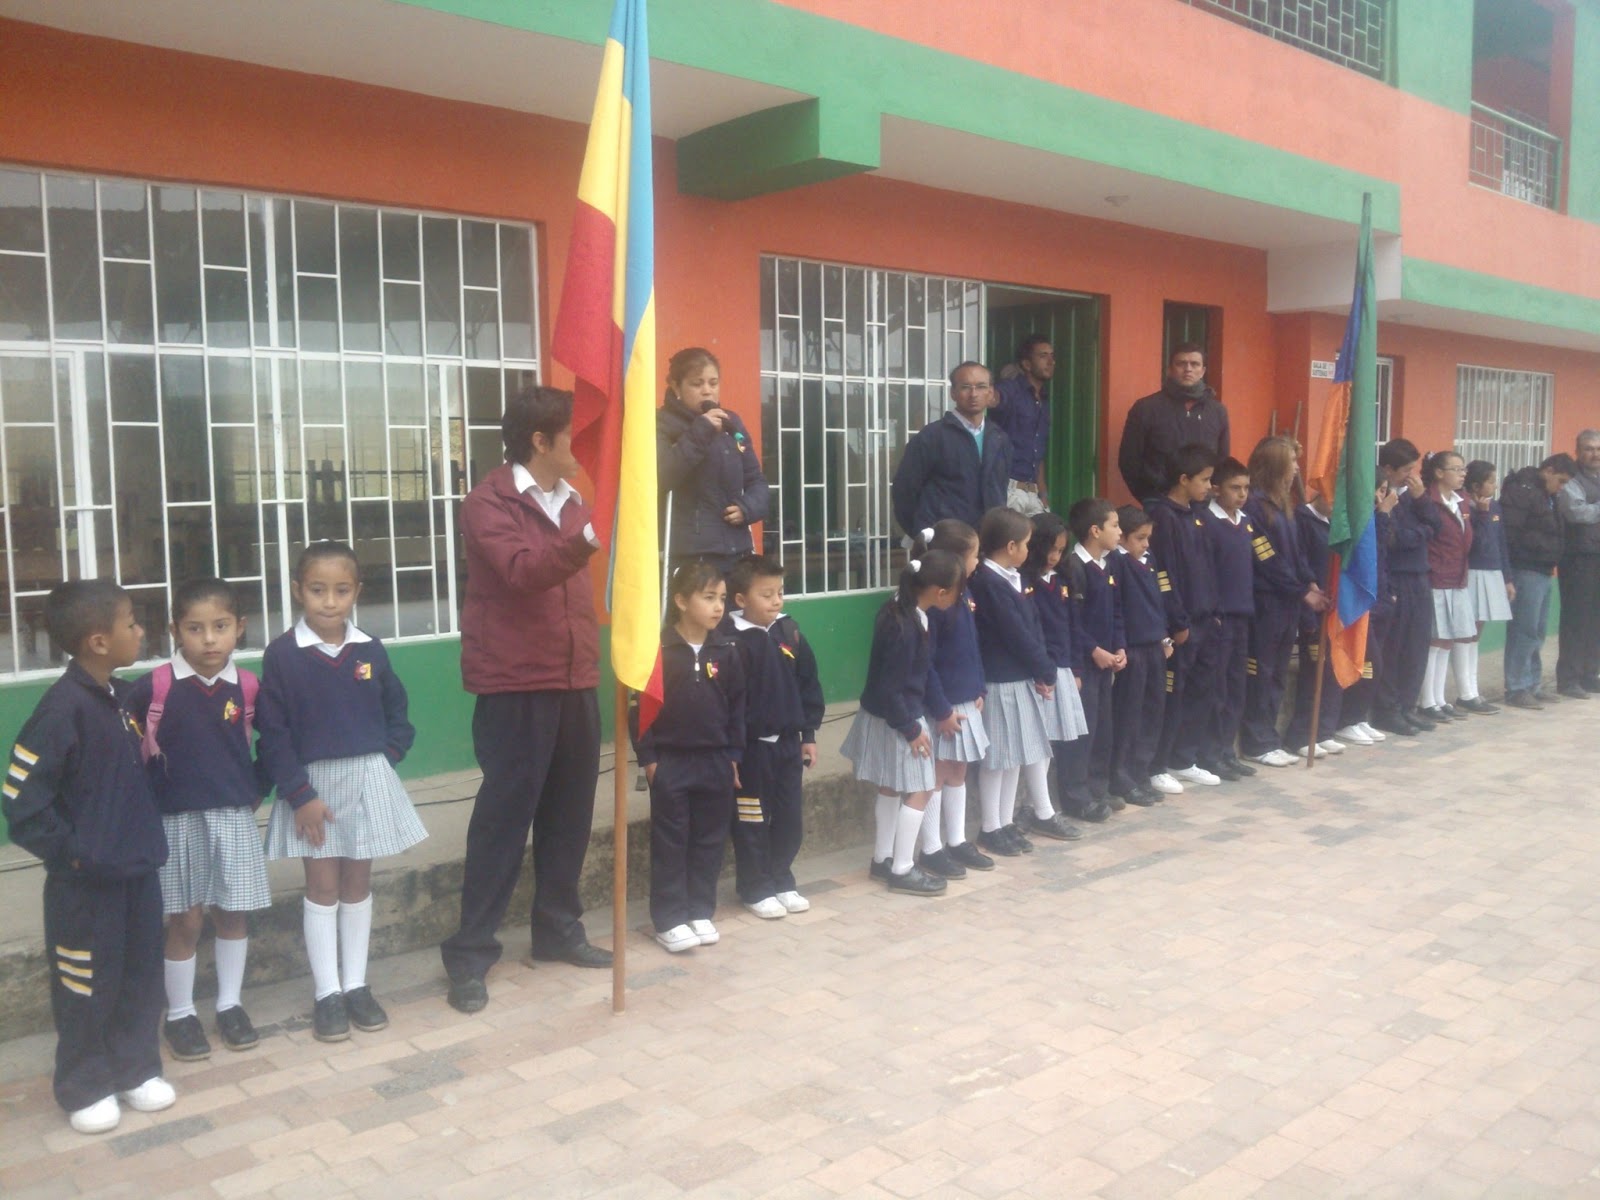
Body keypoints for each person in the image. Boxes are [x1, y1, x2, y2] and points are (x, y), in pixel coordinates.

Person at [441, 385, 611, 1018]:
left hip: (573, 679)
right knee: (503, 824)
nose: (582, 446)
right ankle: (469, 953)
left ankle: (558, 929)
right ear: (541, 441)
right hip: (514, 683)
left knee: (569, 815)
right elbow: (521, 571)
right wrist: (588, 539)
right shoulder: (489, 503)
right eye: (573, 434)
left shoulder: (575, 504)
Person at [2, 581, 173, 1134]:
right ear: (99, 640)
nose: (140, 631)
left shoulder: (118, 698)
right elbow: (21, 800)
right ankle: (85, 1085)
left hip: (138, 875)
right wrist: (75, 857)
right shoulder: (61, 710)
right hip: (86, 886)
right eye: (131, 623)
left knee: (140, 978)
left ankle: (135, 1070)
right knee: (86, 986)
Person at [258, 542, 427, 1043]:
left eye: (340, 591)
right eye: (317, 590)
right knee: (323, 887)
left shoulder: (370, 650)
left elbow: (397, 711)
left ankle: (356, 985)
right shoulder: (283, 655)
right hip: (312, 791)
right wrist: (298, 794)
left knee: (357, 884)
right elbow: (274, 733)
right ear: (297, 591)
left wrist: (387, 757)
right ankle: (326, 993)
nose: (329, 602)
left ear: (356, 592)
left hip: (367, 780)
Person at [124, 578, 270, 1063]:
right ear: (175, 632)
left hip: (232, 816)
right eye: (195, 628)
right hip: (176, 821)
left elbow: (273, 741)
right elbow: (126, 753)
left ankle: (230, 1005)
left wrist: (257, 789)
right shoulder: (155, 687)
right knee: (184, 919)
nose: (209, 639)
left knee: (232, 913)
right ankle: (182, 1014)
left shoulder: (246, 686)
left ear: (239, 629)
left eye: (221, 627)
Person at [634, 563, 745, 953]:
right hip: (671, 763)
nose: (719, 607)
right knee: (671, 841)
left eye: (722, 598)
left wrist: (733, 754)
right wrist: (649, 759)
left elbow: (737, 708)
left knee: (710, 839)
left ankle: (700, 911)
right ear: (681, 601)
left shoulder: (726, 651)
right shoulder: (659, 651)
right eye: (708, 597)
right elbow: (641, 710)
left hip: (715, 762)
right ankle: (669, 919)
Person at [842, 551, 964, 896]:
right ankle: (902, 867)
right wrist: (911, 729)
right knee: (922, 788)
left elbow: (914, 676)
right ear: (940, 592)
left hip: (887, 715)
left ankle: (882, 859)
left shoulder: (901, 610)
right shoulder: (905, 626)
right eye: (957, 591)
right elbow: (890, 686)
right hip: (899, 719)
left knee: (890, 787)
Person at [720, 555, 824, 919]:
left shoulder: (789, 632)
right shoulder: (729, 641)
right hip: (749, 753)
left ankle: (781, 878)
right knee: (751, 821)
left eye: (780, 592)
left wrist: (807, 733)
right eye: (766, 595)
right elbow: (726, 703)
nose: (776, 601)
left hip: (787, 746)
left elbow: (808, 684)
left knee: (789, 818)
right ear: (740, 600)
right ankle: (754, 886)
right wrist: (731, 752)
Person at [967, 507, 1074, 857]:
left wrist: (1041, 670)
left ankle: (1006, 821)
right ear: (1011, 546)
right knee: (997, 758)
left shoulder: (1016, 577)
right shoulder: (986, 581)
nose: (1030, 551)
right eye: (1027, 544)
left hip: (1022, 677)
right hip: (1000, 679)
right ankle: (989, 827)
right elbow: (1014, 633)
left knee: (1015, 755)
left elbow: (1034, 625)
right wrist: (1043, 668)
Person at [914, 520, 997, 880]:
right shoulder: (937, 604)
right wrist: (942, 710)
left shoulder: (965, 595)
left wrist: (979, 688)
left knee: (959, 770)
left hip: (966, 697)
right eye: (975, 555)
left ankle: (958, 840)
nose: (978, 561)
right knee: (936, 773)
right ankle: (931, 848)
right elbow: (926, 664)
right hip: (943, 705)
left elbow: (973, 647)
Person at [1239, 437, 1327, 767]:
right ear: (1275, 464)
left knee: (1276, 671)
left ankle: (1269, 735)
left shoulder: (1284, 503)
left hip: (1289, 600)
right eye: (1291, 461)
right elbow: (1267, 559)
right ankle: (1255, 740)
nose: (1297, 467)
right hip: (1267, 601)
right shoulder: (1255, 506)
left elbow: (1297, 553)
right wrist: (1300, 590)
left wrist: (1310, 582)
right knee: (1261, 671)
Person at [1146, 444, 1223, 788]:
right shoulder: (1162, 517)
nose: (1209, 487)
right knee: (1173, 694)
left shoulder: (1197, 515)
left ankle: (1184, 757)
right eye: (1204, 480)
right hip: (1182, 625)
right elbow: (1164, 574)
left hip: (1207, 620)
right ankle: (1158, 764)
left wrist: (1215, 611)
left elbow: (1208, 567)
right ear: (1183, 479)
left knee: (1201, 690)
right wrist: (1177, 622)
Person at [657, 347, 769, 577]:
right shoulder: (662, 423)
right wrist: (701, 430)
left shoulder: (731, 422)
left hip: (737, 549)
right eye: (697, 384)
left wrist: (748, 507)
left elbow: (756, 479)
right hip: (691, 555)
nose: (707, 391)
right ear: (676, 387)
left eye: (713, 383)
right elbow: (661, 476)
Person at [1021, 511, 1091, 830]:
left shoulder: (1062, 581)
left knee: (1051, 743)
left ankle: (1039, 806)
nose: (1054, 556)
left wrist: (1075, 667)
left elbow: (1073, 626)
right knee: (1037, 742)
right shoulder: (1025, 583)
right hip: (1039, 671)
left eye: (1061, 550)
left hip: (1062, 668)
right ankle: (1038, 809)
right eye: (1049, 548)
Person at [891, 361, 1012, 537]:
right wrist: (924, 533)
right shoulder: (931, 436)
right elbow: (904, 491)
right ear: (953, 393)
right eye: (965, 387)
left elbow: (1000, 489)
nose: (973, 394)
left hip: (986, 541)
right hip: (944, 542)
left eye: (981, 387)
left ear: (990, 393)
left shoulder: (1000, 438)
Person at [1060, 498, 1127, 814]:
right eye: (1114, 525)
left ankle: (1098, 788)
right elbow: (1072, 621)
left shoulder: (1109, 564)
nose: (1119, 531)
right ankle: (1076, 796)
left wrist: (1119, 647)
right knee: (1082, 731)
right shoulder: (1074, 568)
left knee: (1103, 728)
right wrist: (1093, 651)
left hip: (1105, 662)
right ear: (1094, 530)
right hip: (1084, 664)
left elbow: (1116, 611)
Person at [1198, 457, 1262, 777]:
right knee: (1216, 687)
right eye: (1235, 488)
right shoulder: (1206, 523)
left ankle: (1227, 749)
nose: (1242, 494)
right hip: (1219, 618)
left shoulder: (1247, 521)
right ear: (1215, 489)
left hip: (1243, 615)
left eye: (1246, 488)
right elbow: (1205, 573)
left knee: (1237, 685)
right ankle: (1210, 752)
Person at [1371, 439, 1436, 735]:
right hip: (1396, 577)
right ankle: (1388, 710)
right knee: (1394, 648)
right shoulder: (1382, 496)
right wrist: (1421, 532)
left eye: (1414, 469)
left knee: (1416, 646)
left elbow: (1437, 527)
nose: (1412, 476)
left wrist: (1423, 500)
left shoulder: (1413, 496)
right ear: (1388, 468)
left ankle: (1407, 705)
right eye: (1406, 470)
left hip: (1420, 577)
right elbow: (1394, 540)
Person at [1500, 453, 1576, 708]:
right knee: (1524, 629)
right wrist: (1508, 574)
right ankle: (1517, 687)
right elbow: (1510, 534)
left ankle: (1532, 683)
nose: (1561, 487)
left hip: (1543, 569)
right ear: (1549, 471)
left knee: (1538, 631)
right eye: (1561, 481)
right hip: (1525, 568)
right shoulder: (1523, 492)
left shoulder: (1547, 495)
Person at [1109, 506, 1172, 807]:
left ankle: (1141, 771)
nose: (1146, 544)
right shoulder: (1118, 564)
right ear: (1121, 538)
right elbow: (1118, 609)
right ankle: (1121, 777)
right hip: (1133, 648)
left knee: (1152, 711)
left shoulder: (1149, 560)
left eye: (1148, 537)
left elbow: (1157, 602)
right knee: (1129, 715)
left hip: (1154, 646)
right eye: (1139, 538)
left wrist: (1164, 635)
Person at [1283, 493, 1353, 757]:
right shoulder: (1303, 520)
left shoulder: (1335, 523)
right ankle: (1301, 734)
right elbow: (1301, 565)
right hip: (1313, 608)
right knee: (1313, 673)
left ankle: (1324, 730)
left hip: (1334, 609)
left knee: (1332, 670)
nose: (1337, 505)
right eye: (1334, 498)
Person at [1118, 343, 1231, 503]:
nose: (1188, 369)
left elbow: (1222, 459)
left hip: (1204, 505)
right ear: (1169, 369)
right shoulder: (1146, 408)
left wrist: (1210, 494)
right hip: (1159, 501)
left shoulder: (1217, 411)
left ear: (1203, 371)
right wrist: (1149, 497)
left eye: (1195, 364)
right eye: (1181, 363)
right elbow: (1129, 461)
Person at [1415, 451, 1478, 723]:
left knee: (1448, 639)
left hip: (1458, 576)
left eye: (1463, 469)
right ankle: (1426, 701)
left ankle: (1439, 698)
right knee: (1435, 639)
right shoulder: (1429, 501)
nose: (1462, 474)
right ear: (1439, 473)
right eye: (1456, 469)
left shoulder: (1461, 501)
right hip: (1437, 577)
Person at [1459, 459, 1513, 714]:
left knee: (1477, 631)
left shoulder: (1496, 507)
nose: (1494, 485)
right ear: (1476, 485)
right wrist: (1480, 515)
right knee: (1465, 632)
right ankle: (1465, 692)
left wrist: (1507, 578)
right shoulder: (1464, 508)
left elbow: (1501, 544)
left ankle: (1473, 689)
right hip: (1471, 573)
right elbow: (1474, 544)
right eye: (1490, 481)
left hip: (1492, 573)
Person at [1556, 430, 1600, 699]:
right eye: (1588, 449)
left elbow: (1588, 510)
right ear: (1577, 451)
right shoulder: (1571, 479)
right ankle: (1569, 679)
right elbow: (1575, 512)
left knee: (1596, 618)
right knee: (1576, 618)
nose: (1595, 454)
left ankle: (1589, 673)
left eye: (1598, 448)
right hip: (1578, 558)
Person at [989, 335, 1054, 515]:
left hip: (1033, 492)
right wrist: (982, 388)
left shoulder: (1044, 400)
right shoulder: (1011, 388)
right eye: (1043, 356)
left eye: (1052, 355)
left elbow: (1037, 451)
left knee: (1047, 538)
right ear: (1026, 364)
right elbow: (993, 398)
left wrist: (1043, 492)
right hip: (1007, 489)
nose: (1050, 361)